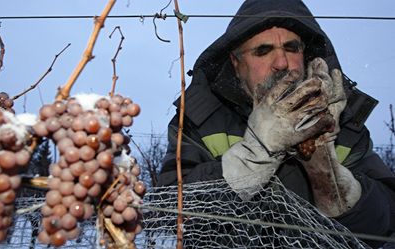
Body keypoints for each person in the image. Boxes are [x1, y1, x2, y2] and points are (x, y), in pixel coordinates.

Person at [157, 0, 395, 247]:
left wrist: (330, 179)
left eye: (292, 48)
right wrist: (254, 154)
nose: (282, 62)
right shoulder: (202, 119)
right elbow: (170, 217)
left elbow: (384, 227)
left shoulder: (341, 121)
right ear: (236, 64)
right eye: (263, 50)